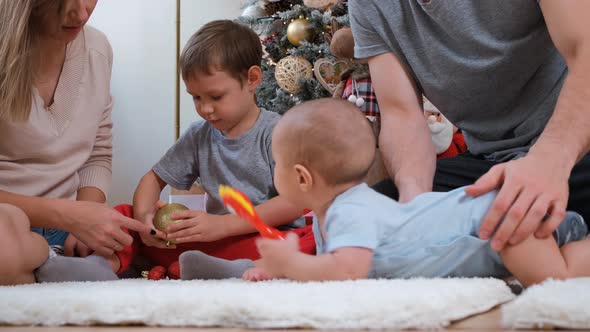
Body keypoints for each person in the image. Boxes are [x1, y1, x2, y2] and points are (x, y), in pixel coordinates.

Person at [178, 99, 589, 287]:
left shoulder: (350, 210)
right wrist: (282, 267)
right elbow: (332, 261)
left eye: (277, 165)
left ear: (302, 176)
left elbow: (348, 272)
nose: (275, 174)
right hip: (495, 219)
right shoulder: (336, 212)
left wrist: (295, 266)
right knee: (566, 256)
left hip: (502, 218)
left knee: (560, 278)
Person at [348, 0, 590, 252]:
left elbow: (586, 50)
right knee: (370, 216)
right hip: (492, 163)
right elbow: (401, 114)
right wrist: (417, 204)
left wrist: (549, 160)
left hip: (573, 145)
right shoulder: (367, 5)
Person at [113, 20, 315, 276]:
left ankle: (230, 268)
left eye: (216, 97)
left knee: (313, 236)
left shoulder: (277, 132)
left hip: (266, 239)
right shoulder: (199, 135)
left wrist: (224, 225)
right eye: (196, 97)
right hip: (216, 242)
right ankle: (105, 264)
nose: (205, 108)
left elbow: (295, 204)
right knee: (123, 216)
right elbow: (153, 179)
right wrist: (145, 221)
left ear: (252, 79)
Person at [0, 0, 152, 285]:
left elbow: (97, 152)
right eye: (60, 2)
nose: (82, 13)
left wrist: (85, 222)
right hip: (11, 222)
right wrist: (69, 216)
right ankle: (48, 265)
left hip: (68, 228)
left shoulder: (97, 49)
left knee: (125, 240)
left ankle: (47, 268)